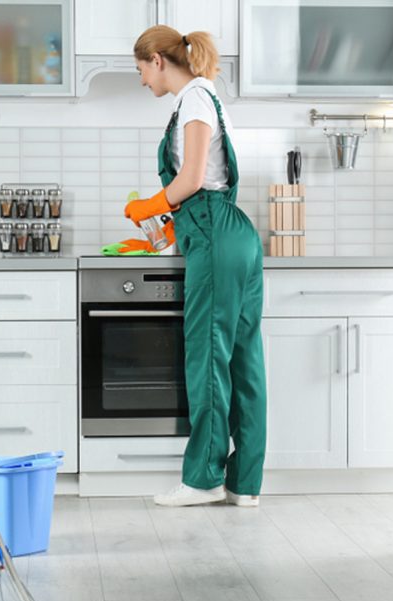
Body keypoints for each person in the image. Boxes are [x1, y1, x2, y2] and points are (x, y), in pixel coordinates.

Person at [125, 26, 267, 508]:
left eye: (141, 69)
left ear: (158, 62)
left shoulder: (194, 100)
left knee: (207, 355)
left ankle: (203, 479)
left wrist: (151, 204)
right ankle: (244, 483)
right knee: (243, 360)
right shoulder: (203, 97)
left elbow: (191, 178)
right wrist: (168, 221)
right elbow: (206, 182)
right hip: (230, 232)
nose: (142, 80)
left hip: (214, 234)